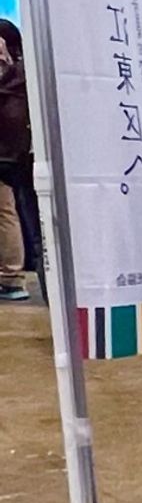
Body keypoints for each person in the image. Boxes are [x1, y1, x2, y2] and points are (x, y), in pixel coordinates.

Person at [0, 20, 33, 302]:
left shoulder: (12, 77)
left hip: (6, 156)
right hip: (12, 155)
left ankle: (11, 277)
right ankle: (10, 276)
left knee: (5, 212)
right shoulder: (22, 75)